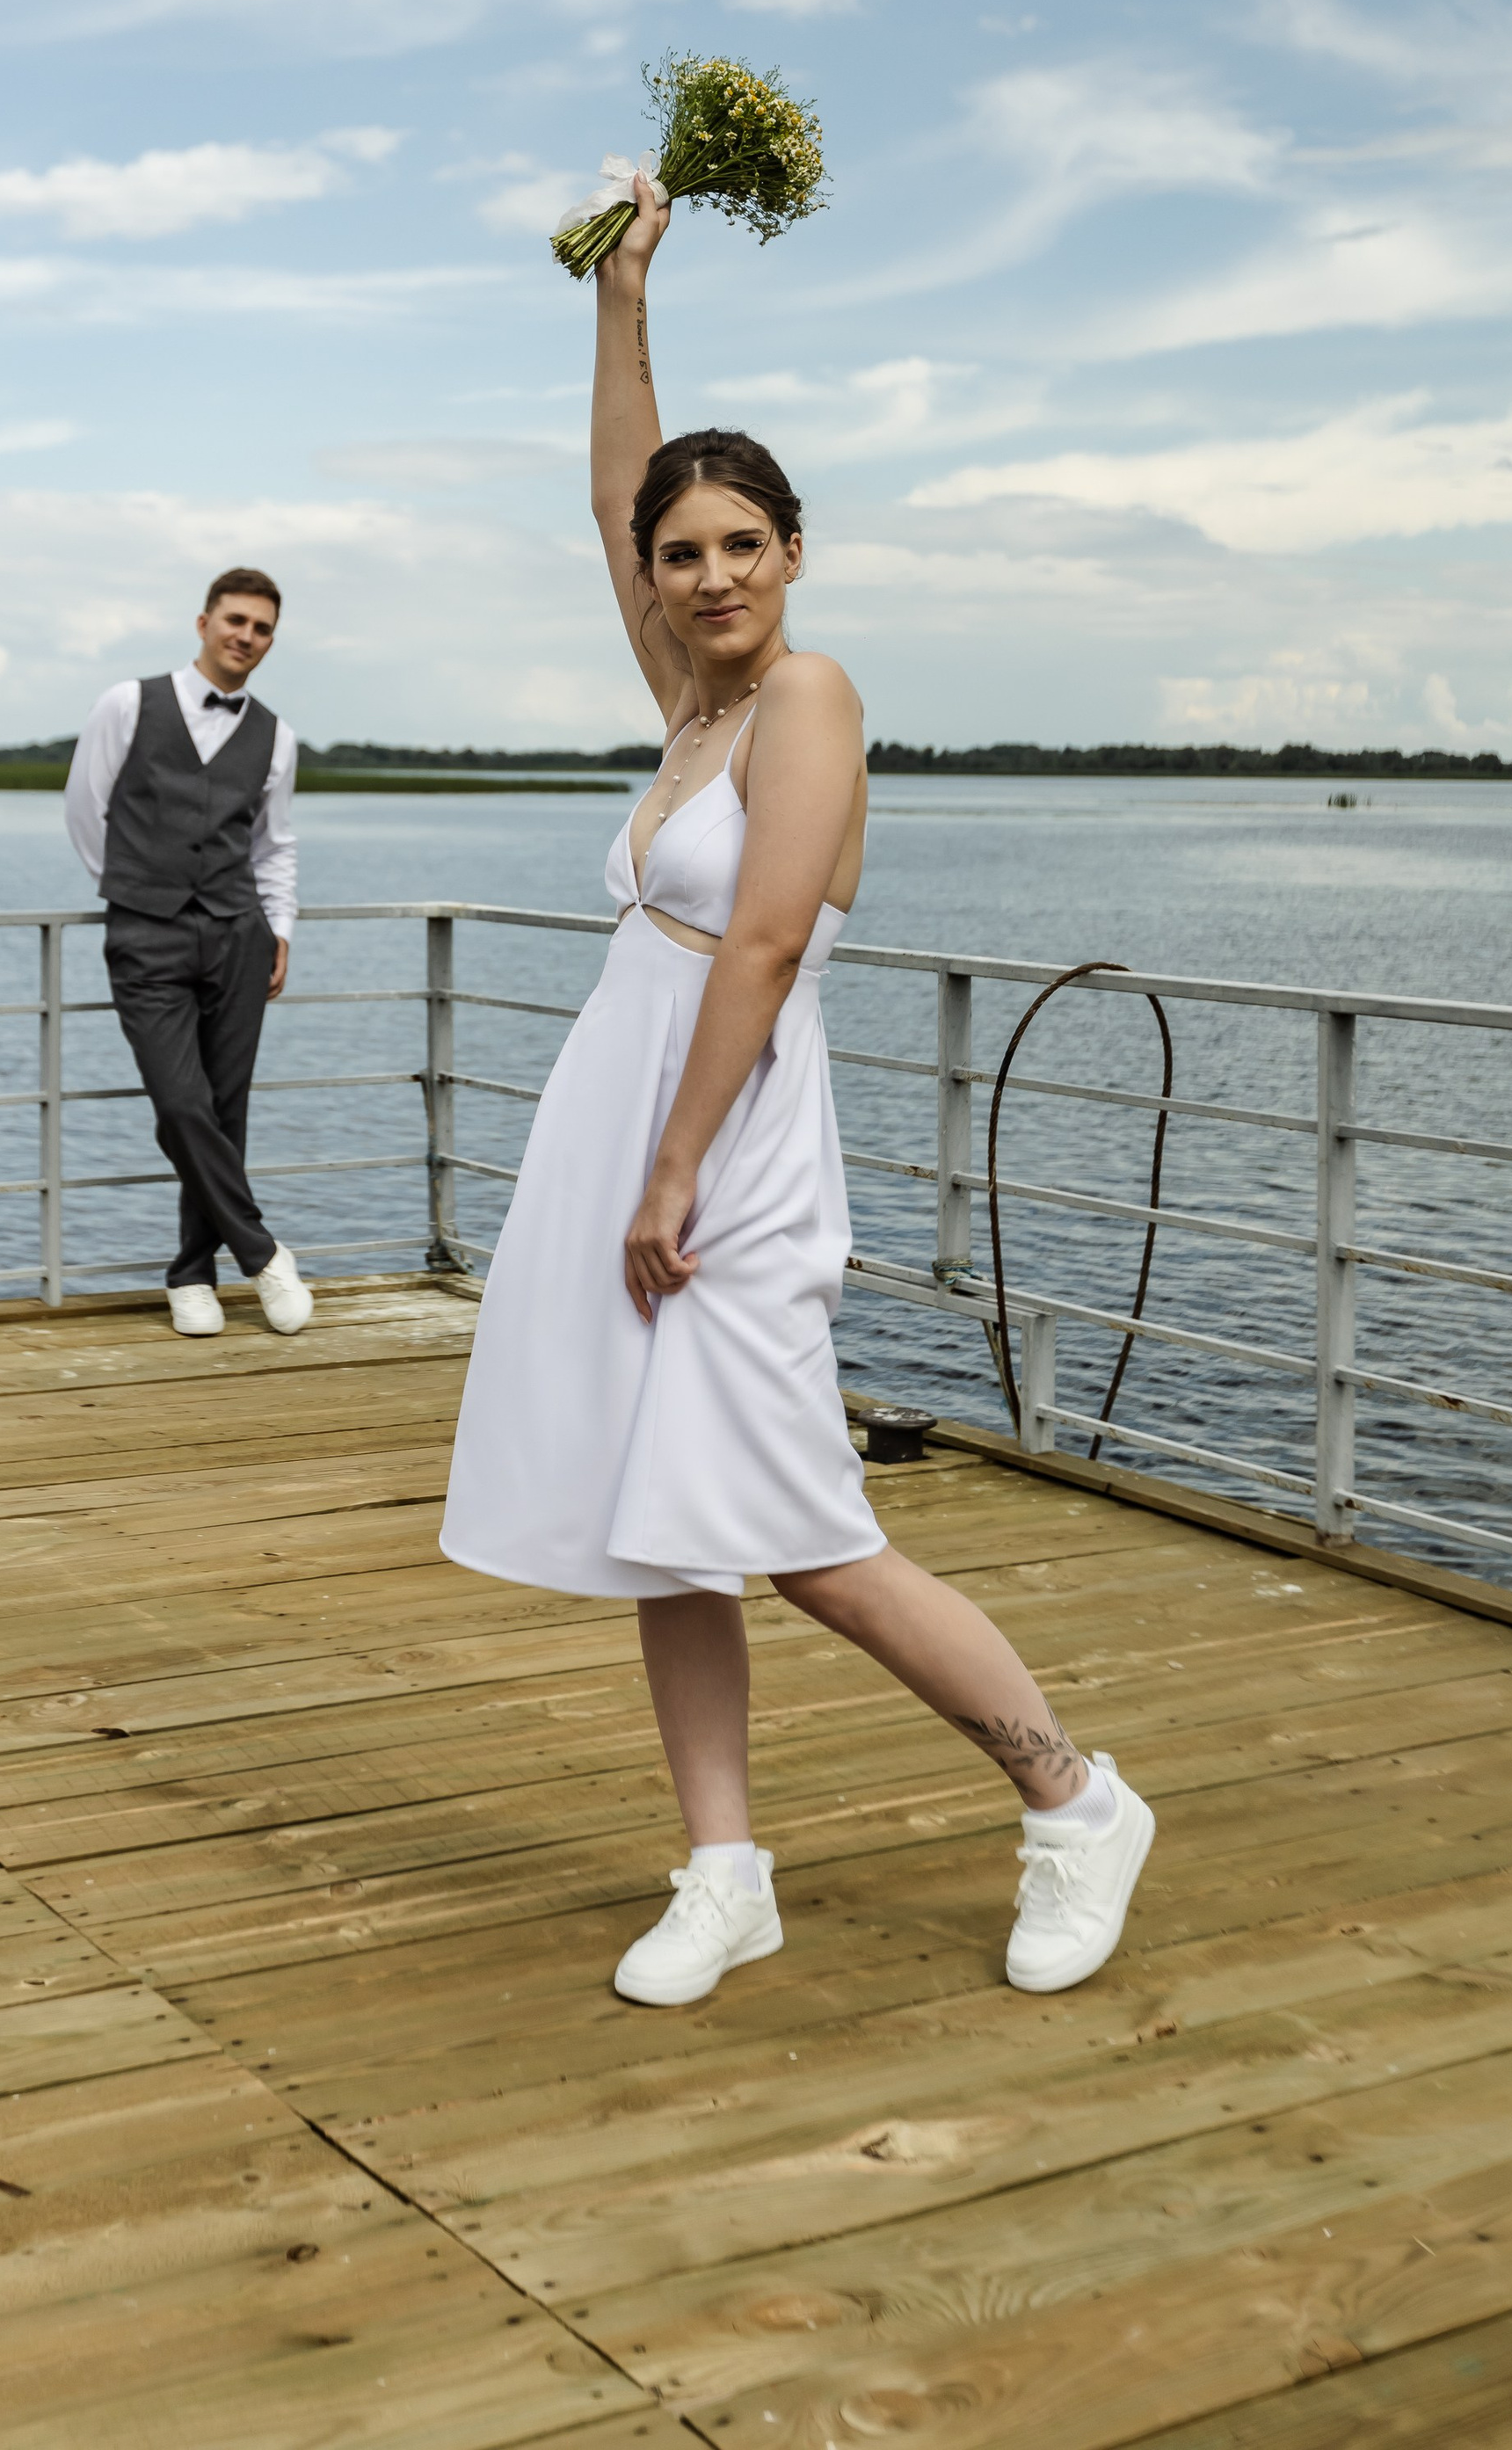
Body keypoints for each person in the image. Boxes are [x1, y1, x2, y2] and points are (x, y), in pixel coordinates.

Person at [440, 175, 1153, 2006]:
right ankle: (723, 1869)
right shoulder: (686, 710)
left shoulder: (807, 700)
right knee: (652, 1522)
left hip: (725, 1150)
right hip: (631, 1123)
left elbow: (756, 948)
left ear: (791, 552)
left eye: (737, 544)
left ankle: (1070, 1800)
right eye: (680, 555)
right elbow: (611, 491)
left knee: (801, 1532)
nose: (703, 575)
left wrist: (670, 1173)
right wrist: (618, 298)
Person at [63, 568, 314, 1341]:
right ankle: (262, 1252)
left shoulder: (277, 735)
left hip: (239, 936)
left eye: (262, 628)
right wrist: (138, 887)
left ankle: (191, 1274)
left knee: (223, 1109)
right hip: (146, 933)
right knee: (180, 1101)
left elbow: (274, 846)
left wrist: (280, 930)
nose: (246, 637)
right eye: (235, 620)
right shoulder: (128, 703)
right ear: (203, 622)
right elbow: (85, 805)